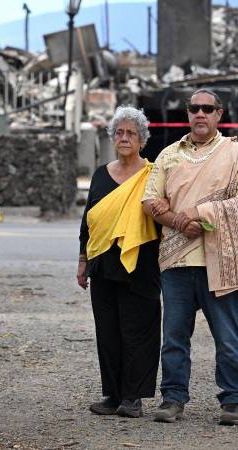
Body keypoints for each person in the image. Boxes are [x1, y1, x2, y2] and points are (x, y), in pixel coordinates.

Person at [142, 88, 238, 426]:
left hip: (220, 259)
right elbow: (150, 200)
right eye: (194, 108)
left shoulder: (234, 153)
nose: (200, 114)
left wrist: (199, 214)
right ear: (188, 113)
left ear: (219, 114)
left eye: (207, 109)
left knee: (228, 337)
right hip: (177, 262)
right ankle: (172, 399)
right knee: (174, 337)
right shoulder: (168, 155)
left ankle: (233, 400)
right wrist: (178, 221)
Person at [78, 106, 161, 418]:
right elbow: (88, 221)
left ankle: (133, 397)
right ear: (113, 138)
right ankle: (112, 395)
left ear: (142, 140)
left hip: (141, 264)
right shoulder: (101, 174)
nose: (124, 138)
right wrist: (82, 259)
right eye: (120, 133)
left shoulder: (153, 176)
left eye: (131, 133)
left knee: (138, 330)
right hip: (102, 264)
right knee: (108, 331)